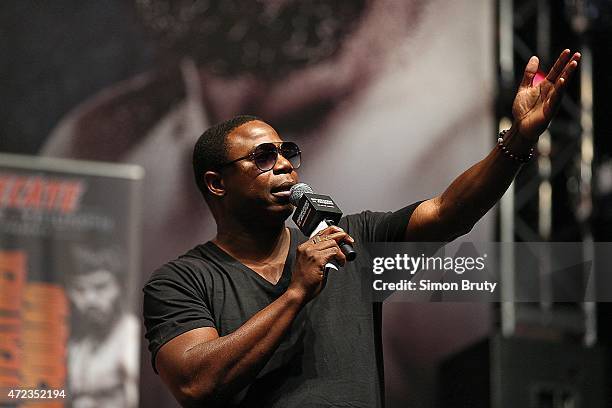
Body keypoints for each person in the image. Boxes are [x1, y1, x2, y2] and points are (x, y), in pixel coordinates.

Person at [142, 49, 581, 407]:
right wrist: (296, 292)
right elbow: (197, 384)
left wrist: (517, 142)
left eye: (286, 152)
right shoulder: (181, 281)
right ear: (217, 183)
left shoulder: (349, 242)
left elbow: (450, 211)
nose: (283, 166)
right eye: (261, 157)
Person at [67, 245, 140, 408]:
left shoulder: (133, 336)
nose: (90, 299)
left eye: (101, 287)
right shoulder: (76, 346)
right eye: (79, 289)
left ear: (121, 287)